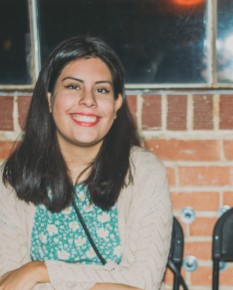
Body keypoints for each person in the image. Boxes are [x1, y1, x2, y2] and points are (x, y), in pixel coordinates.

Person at [0, 36, 173, 290]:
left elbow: (144, 281)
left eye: (101, 89)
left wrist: (40, 270)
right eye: (73, 86)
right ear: (49, 99)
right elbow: (9, 282)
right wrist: (108, 281)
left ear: (116, 105)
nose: (88, 99)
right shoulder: (12, 177)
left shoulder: (145, 172)